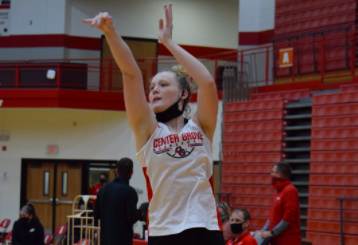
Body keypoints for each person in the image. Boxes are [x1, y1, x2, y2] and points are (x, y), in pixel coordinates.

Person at [83, 3, 224, 245]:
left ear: (183, 93)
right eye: (152, 87)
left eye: (163, 85)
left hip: (206, 226)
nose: (154, 89)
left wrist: (169, 42)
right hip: (164, 232)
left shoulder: (201, 126)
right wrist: (111, 33)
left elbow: (208, 82)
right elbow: (131, 74)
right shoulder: (147, 130)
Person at [93, 158, 143, 245]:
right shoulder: (130, 192)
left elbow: (96, 215)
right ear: (132, 172)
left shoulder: (103, 189)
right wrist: (140, 212)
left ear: (116, 171)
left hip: (105, 240)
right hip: (122, 240)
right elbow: (131, 218)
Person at [260, 163, 301, 245]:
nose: (271, 174)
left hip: (287, 240)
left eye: (272, 172)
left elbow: (289, 216)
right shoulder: (279, 191)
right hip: (277, 239)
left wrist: (272, 232)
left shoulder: (290, 190)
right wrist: (263, 231)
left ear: (279, 175)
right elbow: (272, 216)